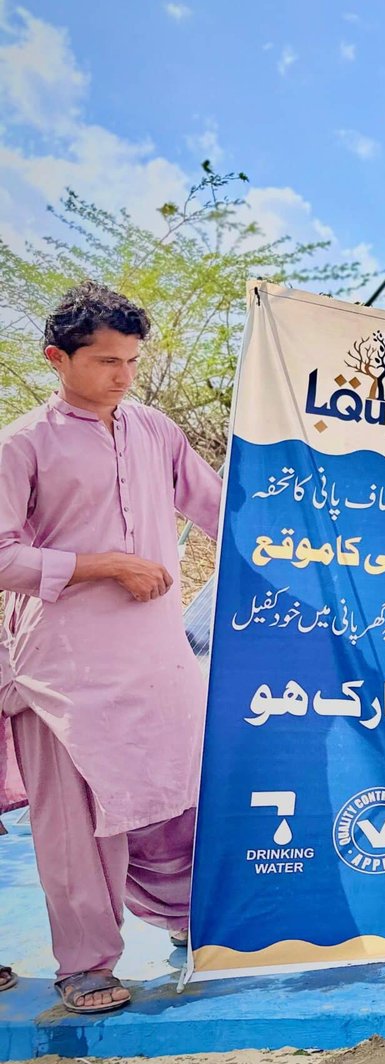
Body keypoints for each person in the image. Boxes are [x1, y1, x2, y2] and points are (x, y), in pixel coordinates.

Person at [0, 281, 221, 1012]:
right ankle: (86, 966)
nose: (123, 377)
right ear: (56, 359)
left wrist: (304, 550)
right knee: (75, 826)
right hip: (61, 667)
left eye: (131, 361)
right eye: (105, 361)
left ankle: (193, 919)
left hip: (156, 659)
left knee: (179, 797)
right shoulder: (24, 443)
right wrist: (104, 565)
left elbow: (219, 508)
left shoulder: (153, 430)